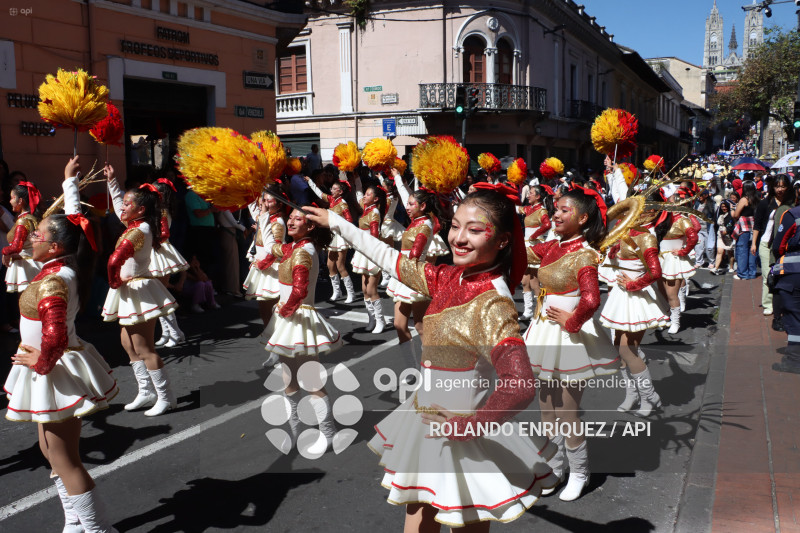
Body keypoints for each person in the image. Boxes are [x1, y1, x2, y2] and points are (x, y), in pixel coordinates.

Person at [305, 185, 558, 529]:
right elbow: (391, 259)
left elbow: (520, 385)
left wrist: (469, 426)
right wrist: (336, 221)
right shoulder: (449, 277)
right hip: (426, 418)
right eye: (455, 226)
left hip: (463, 432)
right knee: (419, 515)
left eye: (475, 229)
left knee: (464, 521)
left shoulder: (493, 303)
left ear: (501, 241)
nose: (460, 238)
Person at [5, 156, 119, 532]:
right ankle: (74, 520)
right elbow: (71, 224)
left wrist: (40, 362)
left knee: (65, 458)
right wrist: (69, 182)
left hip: (54, 369)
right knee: (50, 451)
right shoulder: (63, 262)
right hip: (50, 367)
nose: (32, 238)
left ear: (53, 248)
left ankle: (96, 527)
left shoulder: (53, 280)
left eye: (38, 236)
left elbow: (53, 334)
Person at [524, 187, 620, 502]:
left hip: (568, 336)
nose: (557, 213)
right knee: (546, 407)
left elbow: (591, 299)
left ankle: (579, 472)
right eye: (556, 208)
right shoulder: (553, 246)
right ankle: (553, 467)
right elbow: (520, 252)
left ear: (582, 218)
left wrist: (572, 321)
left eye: (565, 210)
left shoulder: (583, 254)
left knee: (567, 411)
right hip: (543, 331)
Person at [260, 208, 342, 453]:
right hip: (289, 316)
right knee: (288, 378)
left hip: (299, 317)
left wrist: (283, 313)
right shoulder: (292, 248)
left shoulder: (304, 251)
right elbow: (270, 245)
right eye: (291, 217)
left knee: (311, 379)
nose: (291, 221)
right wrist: (263, 214)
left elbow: (300, 290)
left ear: (311, 226)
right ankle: (296, 431)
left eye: (298, 219)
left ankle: (328, 432)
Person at [102, 164, 179, 416]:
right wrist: (112, 182)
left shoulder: (140, 229)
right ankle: (146, 391)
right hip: (128, 289)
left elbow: (115, 259)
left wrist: (114, 280)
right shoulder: (136, 224)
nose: (122, 207)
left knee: (144, 347)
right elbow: (117, 207)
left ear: (141, 209)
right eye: (123, 203)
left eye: (127, 204)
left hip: (137, 290)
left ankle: (166, 397)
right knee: (128, 343)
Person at [599, 203, 669, 416]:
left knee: (628, 350)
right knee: (619, 351)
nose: (628, 215)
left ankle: (650, 397)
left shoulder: (647, 237)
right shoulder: (625, 232)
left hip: (635, 297)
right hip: (621, 296)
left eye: (634, 212)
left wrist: (633, 284)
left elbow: (655, 272)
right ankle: (632, 395)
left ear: (649, 214)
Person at [243, 186, 287, 354]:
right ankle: (273, 346)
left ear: (279, 203)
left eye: (271, 200)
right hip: (262, 266)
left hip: (272, 269)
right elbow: (255, 210)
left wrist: (262, 264)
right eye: (265, 200)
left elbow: (275, 249)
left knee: (275, 311)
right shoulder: (265, 217)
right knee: (264, 310)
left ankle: (280, 347)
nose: (266, 203)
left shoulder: (278, 222)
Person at [304, 175, 358, 303]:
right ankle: (337, 291)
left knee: (340, 265)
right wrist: (310, 181)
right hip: (332, 236)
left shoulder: (343, 204)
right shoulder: (332, 200)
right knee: (330, 265)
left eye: (334, 189)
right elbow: (319, 193)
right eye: (332, 188)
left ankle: (351, 293)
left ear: (340, 191)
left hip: (340, 236)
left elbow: (349, 220)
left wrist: (342, 228)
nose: (331, 191)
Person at [150, 178, 189, 348]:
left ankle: (174, 332)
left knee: (161, 296)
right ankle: (169, 332)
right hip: (155, 252)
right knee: (157, 296)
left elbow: (161, 234)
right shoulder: (158, 211)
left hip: (160, 252)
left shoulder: (162, 212)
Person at [659, 188, 699, 334]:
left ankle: (676, 321)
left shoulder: (682, 220)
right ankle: (667, 317)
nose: (667, 206)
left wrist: (683, 251)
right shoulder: (662, 219)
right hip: (660, 259)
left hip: (673, 260)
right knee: (661, 293)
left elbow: (694, 236)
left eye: (671, 204)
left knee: (671, 294)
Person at [753, 176, 793, 316]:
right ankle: (768, 303)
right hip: (766, 244)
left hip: (785, 244)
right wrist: (753, 243)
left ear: (788, 187)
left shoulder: (792, 203)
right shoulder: (766, 203)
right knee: (767, 274)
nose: (780, 189)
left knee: (783, 275)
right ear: (773, 187)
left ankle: (782, 302)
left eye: (783, 186)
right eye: (777, 186)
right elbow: (757, 225)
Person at [352, 184, 388, 333]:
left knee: (372, 288)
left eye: (368, 195)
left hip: (372, 252)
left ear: (376, 199)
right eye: (365, 194)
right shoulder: (366, 209)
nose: (364, 197)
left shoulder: (374, 212)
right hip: (363, 252)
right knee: (364, 288)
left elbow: (374, 235)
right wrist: (355, 179)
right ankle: (372, 318)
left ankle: (380, 320)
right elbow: (358, 195)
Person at [517, 185, 553, 319]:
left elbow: (547, 225)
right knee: (525, 281)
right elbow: (515, 209)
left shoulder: (541, 210)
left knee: (535, 282)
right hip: (526, 247)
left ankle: (541, 310)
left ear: (538, 196)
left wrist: (534, 236)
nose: (527, 195)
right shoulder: (528, 209)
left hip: (535, 248)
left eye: (530, 193)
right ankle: (528, 311)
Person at [2, 181, 42, 293]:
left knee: (27, 303)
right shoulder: (32, 218)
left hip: (26, 266)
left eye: (12, 198)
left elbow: (16, 246)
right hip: (31, 262)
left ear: (20, 201)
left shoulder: (23, 221)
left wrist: (5, 251)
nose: (10, 201)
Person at [732, 180, 759, 280]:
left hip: (744, 226)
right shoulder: (757, 198)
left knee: (742, 249)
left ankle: (743, 273)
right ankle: (752, 272)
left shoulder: (744, 199)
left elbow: (736, 214)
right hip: (754, 226)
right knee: (753, 250)